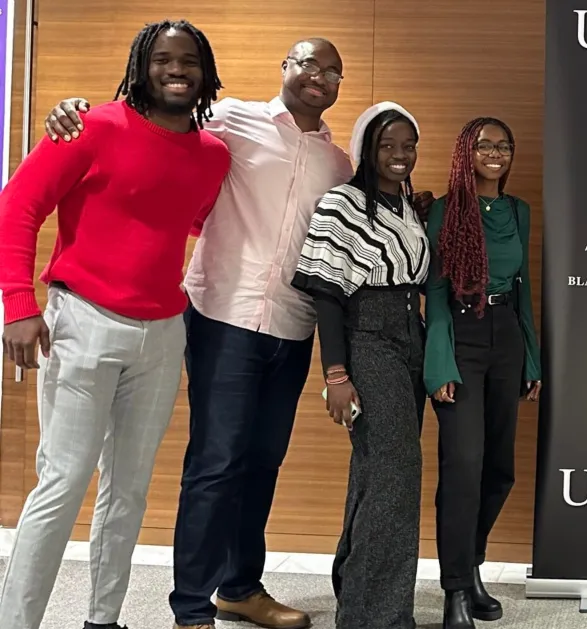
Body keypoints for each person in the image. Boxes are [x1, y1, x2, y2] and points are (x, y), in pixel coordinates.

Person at [39, 38, 435, 629]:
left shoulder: (337, 166)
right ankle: (191, 608)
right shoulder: (230, 119)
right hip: (222, 316)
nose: (319, 78)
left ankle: (240, 587)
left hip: (293, 324)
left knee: (263, 461)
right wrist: (77, 110)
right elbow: (154, 126)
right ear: (286, 68)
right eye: (308, 65)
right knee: (215, 462)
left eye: (332, 71)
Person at [0, 20, 230, 629]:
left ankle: (103, 619)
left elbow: (186, 220)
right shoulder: (90, 126)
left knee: (128, 490)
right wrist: (18, 304)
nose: (176, 70)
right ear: (142, 66)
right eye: (163, 59)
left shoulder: (213, 155)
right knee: (63, 483)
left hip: (163, 335)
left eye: (189, 61)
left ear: (205, 74)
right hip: (83, 324)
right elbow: (18, 207)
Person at [291, 102, 429, 629]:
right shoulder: (342, 203)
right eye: (386, 145)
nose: (399, 155)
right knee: (396, 475)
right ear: (366, 149)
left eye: (407, 145)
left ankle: (359, 598)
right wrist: (336, 376)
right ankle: (379, 617)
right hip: (367, 338)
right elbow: (327, 294)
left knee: (378, 473)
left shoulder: (408, 208)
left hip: (408, 335)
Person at [425, 117, 541, 629]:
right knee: (463, 466)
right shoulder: (443, 213)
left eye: (503, 145)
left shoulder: (519, 212)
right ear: (465, 153)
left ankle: (471, 567)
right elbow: (433, 293)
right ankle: (454, 592)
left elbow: (523, 289)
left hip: (506, 339)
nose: (495, 152)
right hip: (462, 339)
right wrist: (440, 363)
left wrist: (532, 357)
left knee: (499, 469)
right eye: (484, 144)